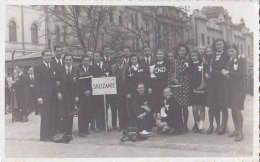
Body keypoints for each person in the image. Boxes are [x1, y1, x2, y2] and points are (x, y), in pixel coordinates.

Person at [206, 39, 229, 135]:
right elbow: (208, 67)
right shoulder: (212, 56)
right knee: (212, 105)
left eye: (220, 44)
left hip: (222, 83)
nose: (218, 46)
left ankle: (223, 126)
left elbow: (228, 67)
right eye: (217, 45)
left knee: (223, 105)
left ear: (224, 45)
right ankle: (212, 125)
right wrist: (207, 73)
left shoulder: (227, 55)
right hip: (212, 83)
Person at [224, 45, 246, 142]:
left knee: (237, 109)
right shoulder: (229, 61)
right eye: (229, 51)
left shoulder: (241, 60)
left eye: (232, 51)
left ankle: (241, 132)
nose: (230, 53)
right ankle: (236, 130)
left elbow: (241, 74)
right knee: (233, 109)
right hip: (230, 88)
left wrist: (228, 73)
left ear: (236, 51)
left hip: (238, 88)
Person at [34, 50, 56, 141]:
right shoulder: (38, 67)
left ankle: (51, 135)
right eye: (46, 55)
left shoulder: (52, 67)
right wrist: (39, 96)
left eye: (49, 56)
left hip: (52, 96)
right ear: (42, 57)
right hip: (43, 96)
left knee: (51, 116)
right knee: (45, 117)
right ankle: (44, 137)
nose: (48, 57)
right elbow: (36, 83)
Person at [169, 44, 190, 133]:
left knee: (184, 106)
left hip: (185, 86)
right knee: (177, 106)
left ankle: (185, 125)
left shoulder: (189, 61)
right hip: (177, 87)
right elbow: (171, 73)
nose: (182, 52)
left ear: (186, 52)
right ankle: (179, 125)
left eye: (183, 50)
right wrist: (173, 80)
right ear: (178, 52)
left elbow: (191, 72)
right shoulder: (174, 62)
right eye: (180, 50)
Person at [58, 54, 79, 143]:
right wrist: (58, 92)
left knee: (70, 114)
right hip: (62, 96)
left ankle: (69, 132)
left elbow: (78, 84)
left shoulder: (76, 70)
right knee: (63, 114)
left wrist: (77, 95)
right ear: (64, 61)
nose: (68, 61)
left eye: (70, 60)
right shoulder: (60, 70)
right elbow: (56, 82)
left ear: (72, 61)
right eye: (66, 60)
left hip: (72, 96)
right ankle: (63, 132)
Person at [91, 50, 111, 132]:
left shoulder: (107, 66)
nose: (95, 58)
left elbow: (111, 77)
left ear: (101, 57)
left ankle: (105, 124)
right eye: (94, 56)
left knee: (105, 107)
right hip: (96, 91)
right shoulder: (92, 66)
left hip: (105, 91)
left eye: (97, 56)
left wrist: (105, 79)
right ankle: (98, 125)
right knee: (97, 109)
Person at [188, 50, 206, 133]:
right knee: (194, 109)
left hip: (201, 88)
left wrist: (204, 84)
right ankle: (198, 124)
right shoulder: (190, 65)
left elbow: (206, 75)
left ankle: (201, 127)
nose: (194, 57)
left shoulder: (202, 64)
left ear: (198, 56)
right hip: (192, 89)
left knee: (201, 108)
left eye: (195, 55)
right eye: (192, 56)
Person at [111, 52, 129, 131]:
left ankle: (127, 125)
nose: (119, 59)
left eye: (120, 57)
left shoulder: (127, 66)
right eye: (117, 58)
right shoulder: (113, 67)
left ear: (123, 57)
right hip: (117, 90)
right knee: (120, 109)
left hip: (126, 90)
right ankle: (121, 126)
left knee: (127, 108)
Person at [78, 55, 93, 137]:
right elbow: (77, 83)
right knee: (82, 112)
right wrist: (84, 91)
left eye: (88, 60)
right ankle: (81, 131)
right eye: (85, 60)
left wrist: (90, 90)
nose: (86, 62)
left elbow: (93, 82)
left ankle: (86, 128)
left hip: (90, 95)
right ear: (82, 61)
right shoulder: (78, 70)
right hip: (82, 95)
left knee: (88, 112)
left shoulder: (91, 69)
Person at [51, 45, 64, 135]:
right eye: (57, 51)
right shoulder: (51, 63)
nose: (59, 52)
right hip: (54, 91)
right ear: (54, 52)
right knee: (56, 111)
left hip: (65, 90)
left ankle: (64, 128)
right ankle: (56, 129)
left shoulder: (65, 61)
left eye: (60, 51)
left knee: (64, 110)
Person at [151, 49, 169, 113]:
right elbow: (152, 76)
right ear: (156, 55)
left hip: (164, 86)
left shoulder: (166, 64)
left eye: (161, 54)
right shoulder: (153, 64)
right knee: (157, 103)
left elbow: (167, 75)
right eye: (158, 54)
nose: (160, 55)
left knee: (164, 103)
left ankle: (165, 118)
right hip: (156, 87)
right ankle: (158, 119)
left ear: (163, 55)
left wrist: (158, 77)